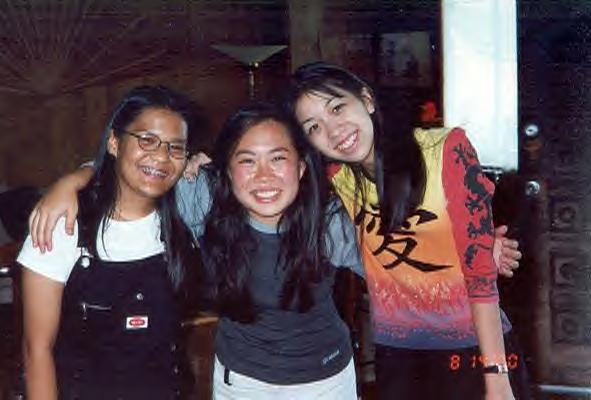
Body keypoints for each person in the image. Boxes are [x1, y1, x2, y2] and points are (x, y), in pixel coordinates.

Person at [25, 103, 365, 399]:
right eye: (247, 161)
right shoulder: (204, 198)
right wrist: (72, 180)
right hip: (243, 381)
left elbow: (385, 281)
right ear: (226, 170)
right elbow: (135, 170)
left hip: (327, 379)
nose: (264, 177)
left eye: (278, 159)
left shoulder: (329, 221)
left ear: (302, 167)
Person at [283, 62, 530, 400]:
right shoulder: (337, 180)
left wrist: (496, 376)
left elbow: (479, 274)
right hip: (398, 358)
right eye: (314, 127)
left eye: (337, 108)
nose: (333, 130)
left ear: (367, 99)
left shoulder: (445, 149)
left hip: (474, 349)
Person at [18, 85, 200, 400]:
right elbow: (37, 350)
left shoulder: (187, 212)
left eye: (176, 148)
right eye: (147, 140)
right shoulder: (64, 224)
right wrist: (76, 179)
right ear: (115, 142)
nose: (161, 157)